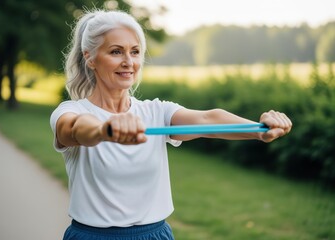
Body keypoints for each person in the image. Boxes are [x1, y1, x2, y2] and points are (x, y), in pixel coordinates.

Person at [50, 9, 292, 240]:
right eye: (116, 52)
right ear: (90, 58)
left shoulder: (156, 111)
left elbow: (209, 119)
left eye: (135, 52)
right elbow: (74, 129)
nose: (128, 61)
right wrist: (106, 130)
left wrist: (258, 131)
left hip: (155, 235)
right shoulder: (72, 111)